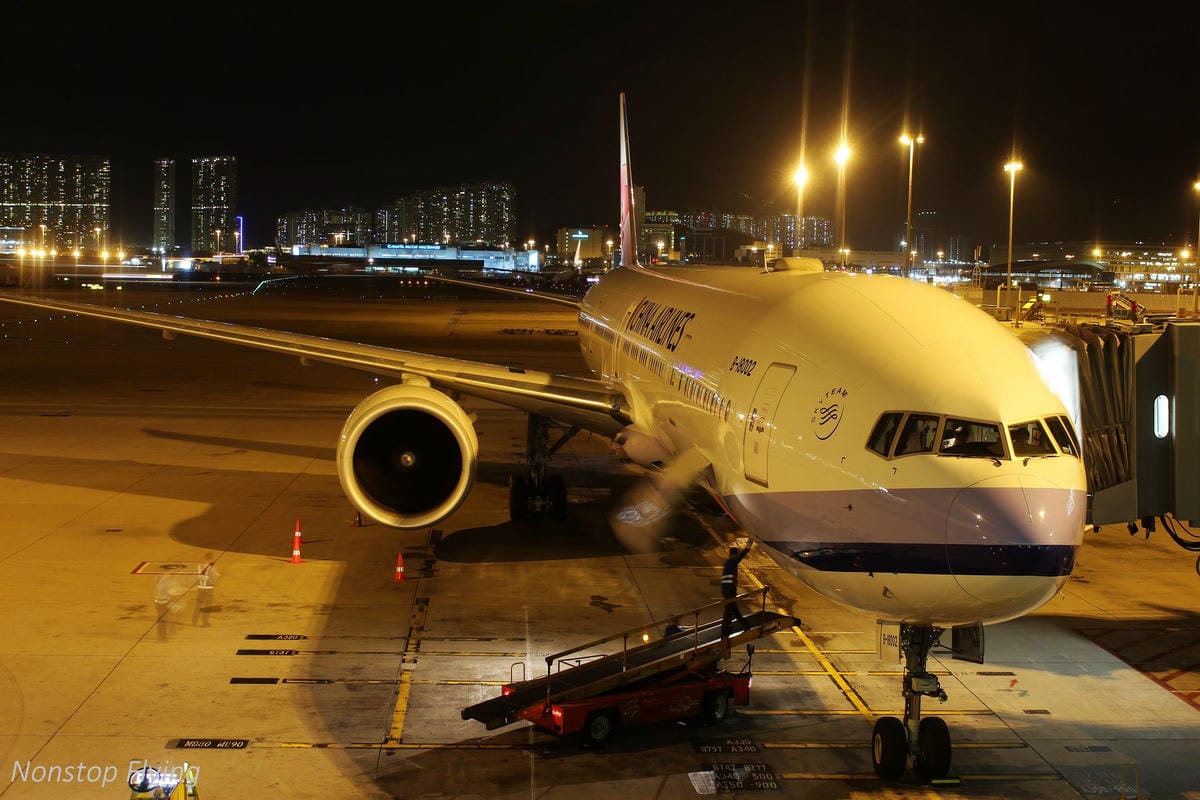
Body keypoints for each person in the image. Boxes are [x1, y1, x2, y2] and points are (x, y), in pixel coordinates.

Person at [721, 542, 752, 636]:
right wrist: (747, 547)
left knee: (734, 609)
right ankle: (725, 629)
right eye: (736, 554)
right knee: (729, 609)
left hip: (725, 589)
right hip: (729, 589)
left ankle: (745, 625)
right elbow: (739, 558)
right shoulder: (732, 561)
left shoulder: (727, 562)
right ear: (734, 554)